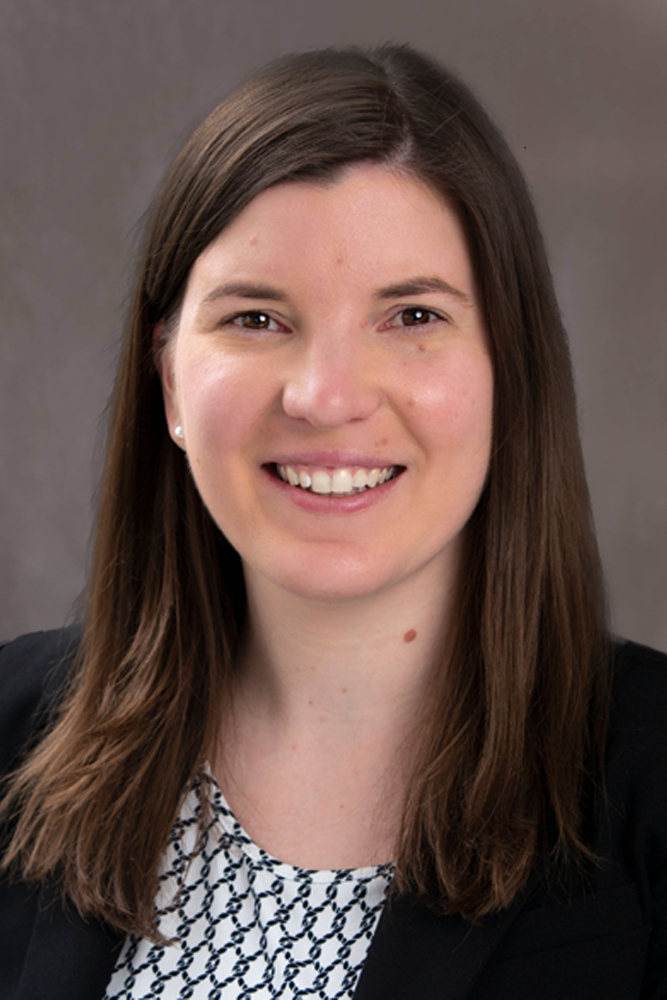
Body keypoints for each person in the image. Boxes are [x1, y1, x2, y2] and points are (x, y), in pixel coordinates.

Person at [0, 43, 666, 1000]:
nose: (325, 397)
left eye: (411, 317)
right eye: (257, 319)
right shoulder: (14, 732)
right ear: (169, 381)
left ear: (509, 373)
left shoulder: (650, 782)